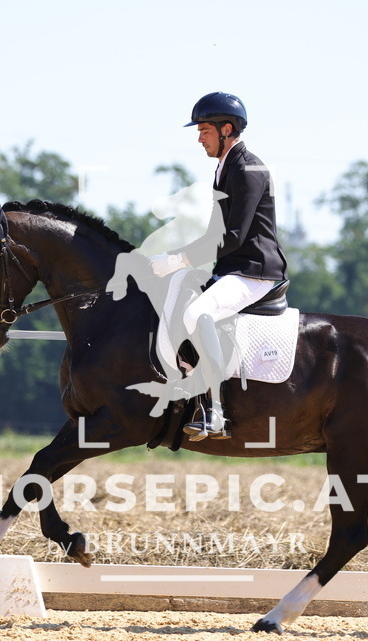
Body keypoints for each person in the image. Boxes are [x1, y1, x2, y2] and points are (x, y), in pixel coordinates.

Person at [150, 92, 289, 440]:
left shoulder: (248, 169)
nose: (199, 138)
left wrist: (177, 259)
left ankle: (215, 411)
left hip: (254, 270)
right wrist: (173, 260)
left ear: (227, 129)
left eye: (204, 130)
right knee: (175, 290)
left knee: (197, 315)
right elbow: (214, 233)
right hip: (231, 267)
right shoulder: (225, 167)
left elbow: (234, 236)